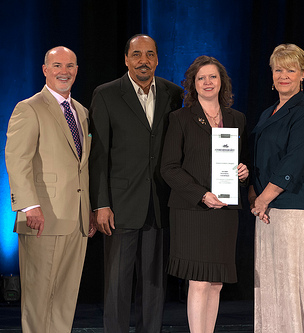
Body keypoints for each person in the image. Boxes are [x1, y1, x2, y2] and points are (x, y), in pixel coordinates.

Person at [89, 34, 183, 332]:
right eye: (137, 54)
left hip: (159, 203)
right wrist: (101, 203)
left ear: (157, 59)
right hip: (119, 206)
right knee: (117, 284)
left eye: (150, 54)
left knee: (154, 285)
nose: (144, 60)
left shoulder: (174, 93)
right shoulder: (106, 94)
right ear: (126, 59)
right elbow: (98, 156)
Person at [5, 46, 95, 333]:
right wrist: (29, 205)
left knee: (65, 299)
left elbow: (82, 167)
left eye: (70, 66)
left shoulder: (81, 111)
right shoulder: (28, 108)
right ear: (45, 70)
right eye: (57, 66)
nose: (64, 72)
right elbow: (17, 160)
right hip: (43, 217)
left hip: (76, 220)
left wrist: (90, 210)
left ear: (77, 71)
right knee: (39, 298)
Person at [161, 55, 249, 333]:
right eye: (201, 78)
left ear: (222, 81)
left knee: (216, 282)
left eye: (213, 77)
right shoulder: (180, 119)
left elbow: (242, 162)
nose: (208, 82)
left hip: (225, 213)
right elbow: (169, 168)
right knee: (198, 282)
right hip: (193, 211)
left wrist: (244, 173)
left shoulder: (237, 118)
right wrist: (201, 194)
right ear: (192, 84)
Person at [248, 44, 304, 332]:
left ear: (302, 75)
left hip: (295, 210)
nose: (284, 75)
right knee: (274, 287)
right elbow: (260, 160)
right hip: (269, 210)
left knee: (292, 286)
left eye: (291, 70)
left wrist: (263, 199)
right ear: (271, 75)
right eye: (278, 69)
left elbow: (293, 163)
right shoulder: (267, 113)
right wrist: (253, 194)